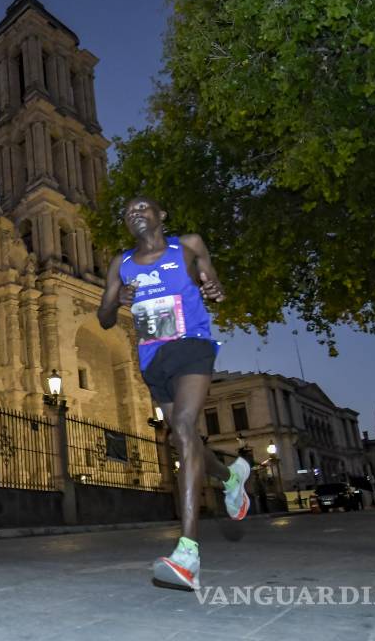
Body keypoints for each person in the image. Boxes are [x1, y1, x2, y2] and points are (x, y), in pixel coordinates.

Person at [97, 196, 251, 591]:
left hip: (192, 346)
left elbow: (212, 282)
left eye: (142, 208)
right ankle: (230, 476)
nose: (135, 214)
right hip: (153, 358)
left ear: (161, 215)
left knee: (183, 426)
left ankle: (187, 553)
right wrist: (118, 300)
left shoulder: (188, 246)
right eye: (128, 212)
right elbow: (104, 317)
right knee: (185, 440)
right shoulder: (121, 264)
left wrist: (214, 287)